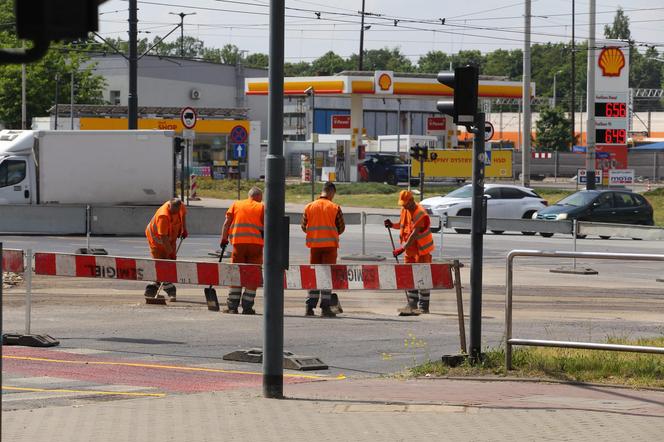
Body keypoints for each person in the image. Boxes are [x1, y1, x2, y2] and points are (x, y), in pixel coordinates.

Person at [384, 190, 434, 316]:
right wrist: (392, 225)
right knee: (409, 276)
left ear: (411, 200)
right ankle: (412, 303)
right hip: (410, 251)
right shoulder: (405, 210)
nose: (404, 206)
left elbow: (414, 234)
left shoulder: (420, 213)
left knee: (422, 277)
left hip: (421, 250)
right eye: (402, 204)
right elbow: (403, 226)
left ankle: (424, 306)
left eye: (405, 204)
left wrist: (402, 248)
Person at [301, 181, 345, 317]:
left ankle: (309, 307)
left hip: (314, 246)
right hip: (330, 247)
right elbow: (341, 227)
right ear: (331, 192)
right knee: (326, 276)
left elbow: (304, 226)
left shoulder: (309, 207)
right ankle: (325, 307)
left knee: (314, 276)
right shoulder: (335, 207)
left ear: (322, 191)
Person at [219, 186, 265, 314]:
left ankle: (232, 306)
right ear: (258, 197)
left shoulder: (236, 204)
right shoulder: (262, 207)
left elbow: (227, 223)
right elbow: (267, 227)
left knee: (236, 273)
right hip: (256, 246)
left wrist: (224, 239)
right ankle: (247, 306)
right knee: (252, 275)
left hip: (238, 245)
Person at [144, 198, 188, 301]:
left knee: (170, 263)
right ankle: (169, 289)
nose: (175, 213)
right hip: (157, 240)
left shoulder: (180, 206)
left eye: (176, 211)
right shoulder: (163, 216)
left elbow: (183, 215)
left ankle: (151, 289)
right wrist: (170, 252)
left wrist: (184, 229)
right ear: (169, 207)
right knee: (162, 263)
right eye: (173, 211)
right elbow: (163, 237)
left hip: (170, 237)